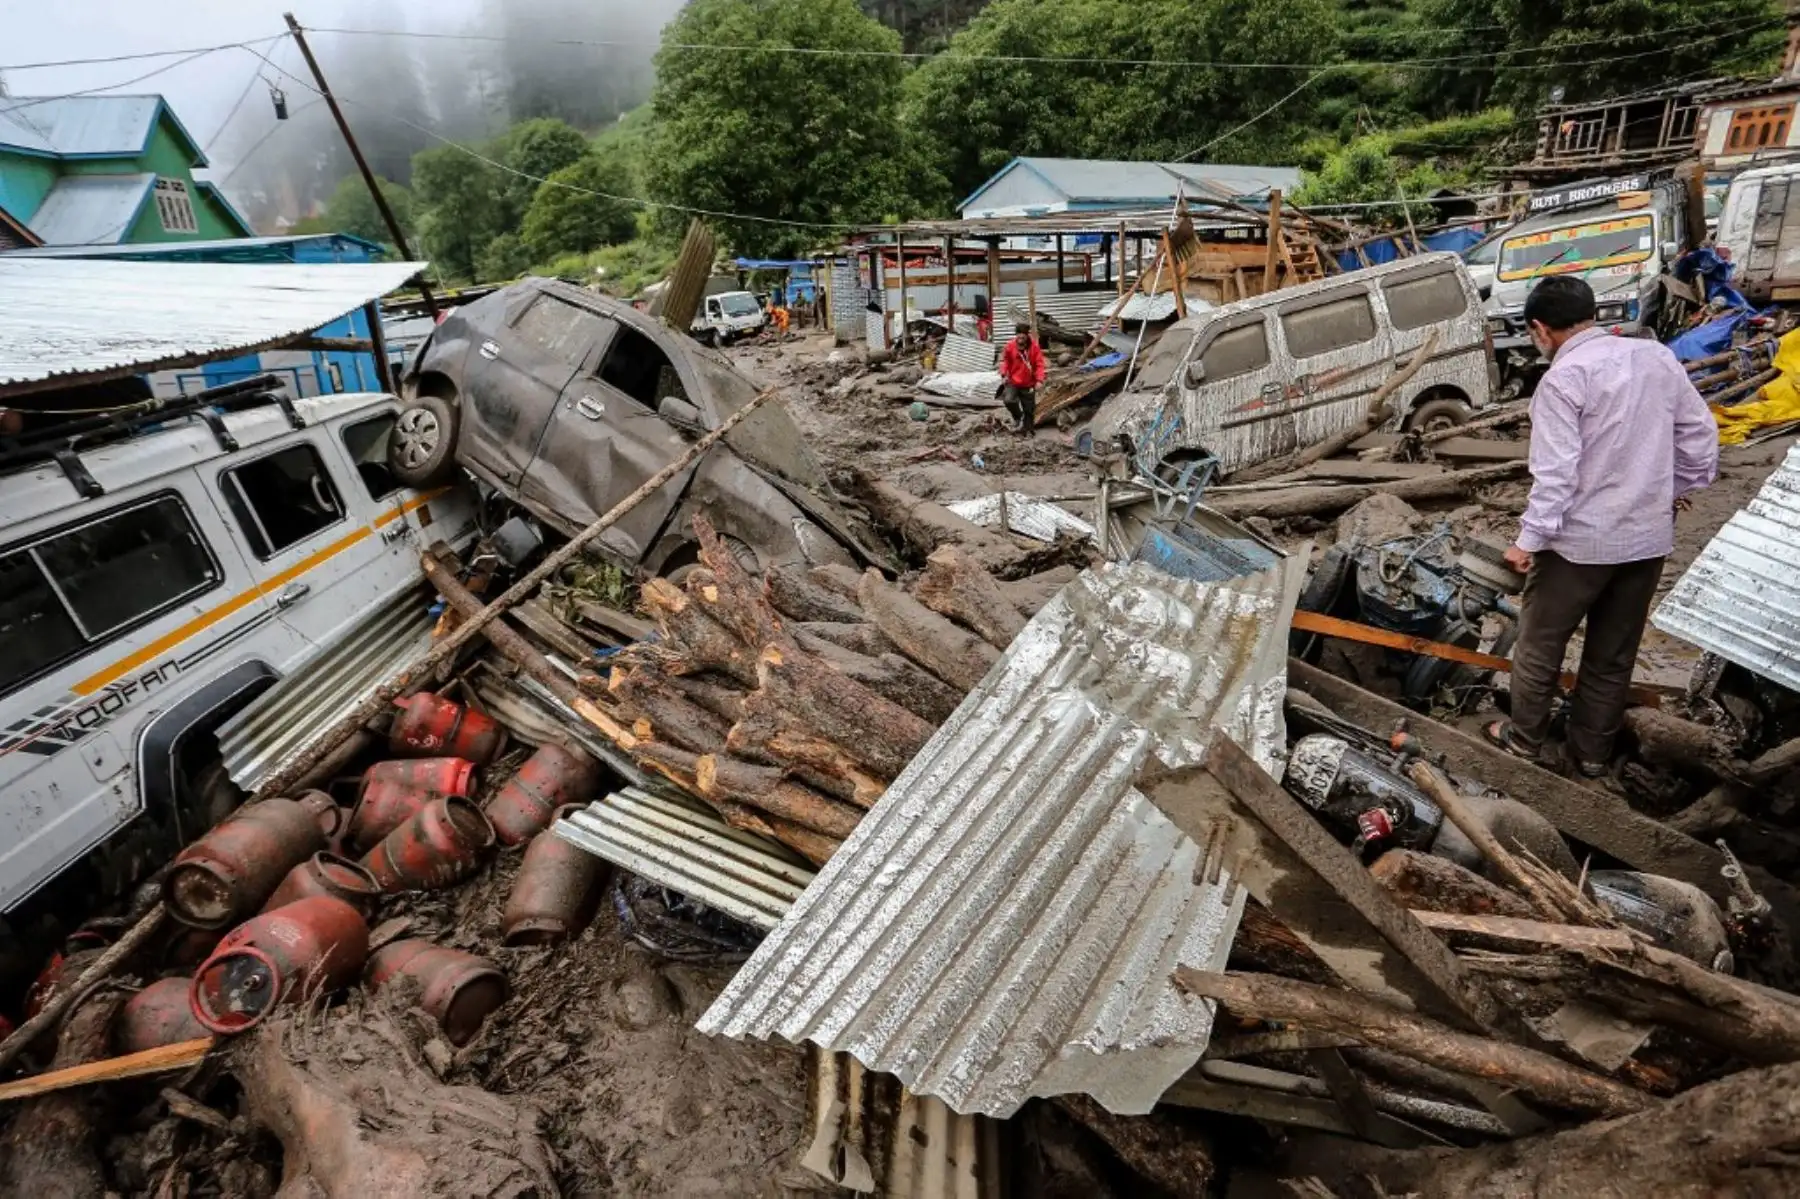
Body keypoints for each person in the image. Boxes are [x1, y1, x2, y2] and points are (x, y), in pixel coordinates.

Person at [1484, 276, 1719, 777]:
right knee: (1613, 652)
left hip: (1579, 545)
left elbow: (1556, 473)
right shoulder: (1655, 359)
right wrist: (1673, 491)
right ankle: (1591, 756)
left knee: (1540, 644)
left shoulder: (1563, 379)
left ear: (1540, 330)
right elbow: (1700, 438)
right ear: (1592, 315)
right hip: (1646, 539)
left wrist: (1528, 540)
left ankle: (1524, 742)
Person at [999, 326, 1047, 434]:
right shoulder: (1010, 346)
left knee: (1029, 409)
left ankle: (1028, 430)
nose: (1020, 336)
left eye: (1023, 334)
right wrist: (1004, 374)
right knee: (1008, 400)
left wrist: (1039, 380)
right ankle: (1018, 416)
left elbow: (1040, 364)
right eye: (1018, 334)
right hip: (1013, 381)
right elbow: (1005, 361)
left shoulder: (1034, 347)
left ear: (1027, 335)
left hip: (1029, 383)